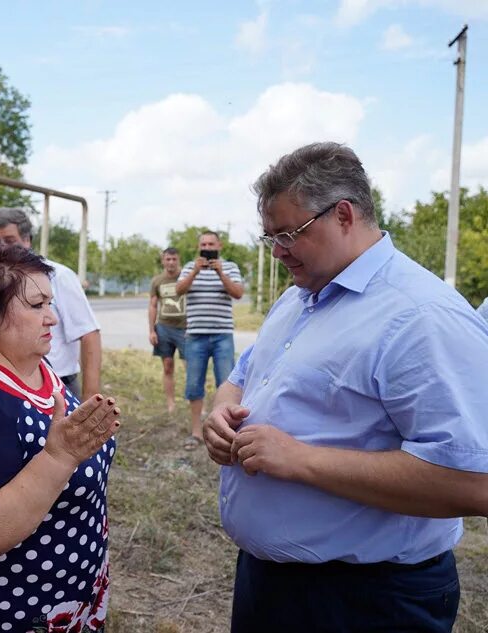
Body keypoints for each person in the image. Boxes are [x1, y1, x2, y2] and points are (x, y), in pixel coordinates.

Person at [203, 142, 488, 633]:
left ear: (343, 215)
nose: (277, 250)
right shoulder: (299, 298)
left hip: (368, 601)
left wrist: (302, 459)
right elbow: (243, 377)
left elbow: (474, 481)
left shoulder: (422, 317)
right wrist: (222, 411)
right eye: (269, 236)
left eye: (289, 233)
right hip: (271, 583)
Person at [0, 240, 119, 632]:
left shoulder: (39, 370)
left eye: (51, 303)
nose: (53, 319)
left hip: (67, 595)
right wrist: (59, 458)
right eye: (36, 305)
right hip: (5, 610)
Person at [0, 207, 102, 398]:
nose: (2, 248)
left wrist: (90, 401)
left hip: (57, 387)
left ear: (27, 240)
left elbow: (89, 334)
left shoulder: (58, 276)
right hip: (5, 385)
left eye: (9, 241)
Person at [176, 231, 243, 449]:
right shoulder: (189, 266)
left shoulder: (230, 267)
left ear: (219, 246)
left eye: (211, 244)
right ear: (199, 247)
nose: (207, 247)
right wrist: (195, 271)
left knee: (227, 383)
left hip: (222, 334)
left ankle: (225, 431)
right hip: (196, 335)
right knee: (194, 384)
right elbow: (178, 290)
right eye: (204, 244)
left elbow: (238, 293)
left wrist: (221, 273)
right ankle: (196, 432)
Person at [148, 247, 186, 416]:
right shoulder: (157, 281)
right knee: (168, 366)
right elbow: (153, 305)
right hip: (164, 328)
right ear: (163, 261)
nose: (171, 262)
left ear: (179, 260)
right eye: (168, 259)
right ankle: (170, 403)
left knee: (191, 367)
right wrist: (152, 330)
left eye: (174, 259)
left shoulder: (186, 277)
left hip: (186, 329)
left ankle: (193, 401)